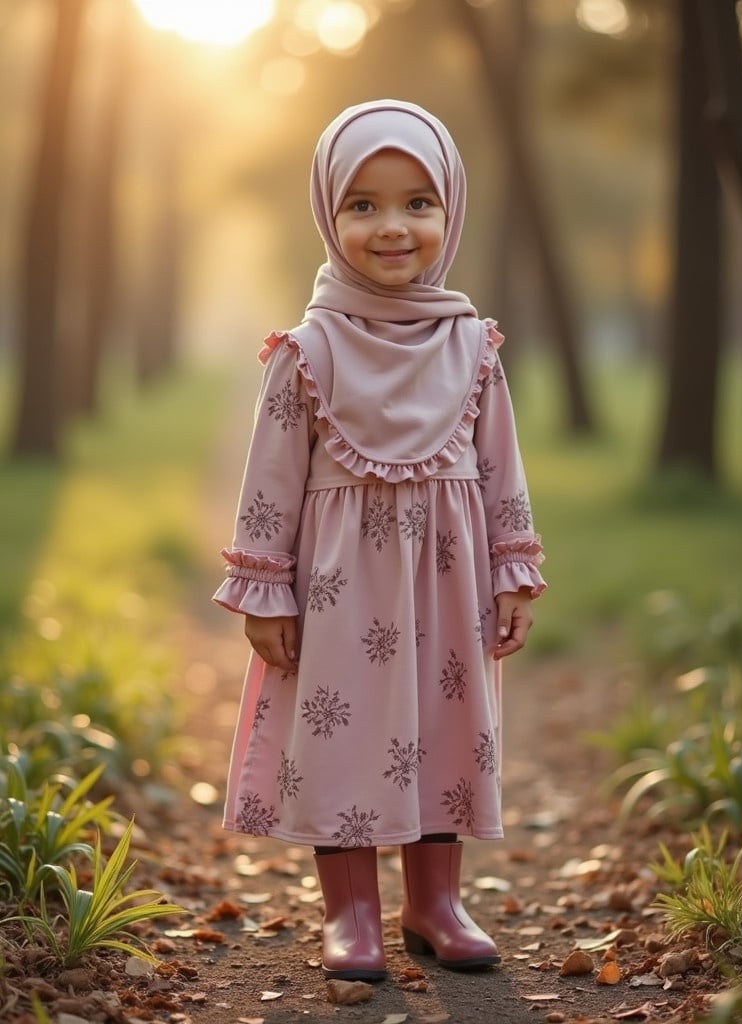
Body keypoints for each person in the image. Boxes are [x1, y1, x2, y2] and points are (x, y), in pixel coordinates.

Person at [213, 99, 546, 982]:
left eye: (417, 203)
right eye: (362, 204)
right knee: (347, 732)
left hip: (447, 579)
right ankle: (351, 913)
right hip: (339, 586)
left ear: (451, 212)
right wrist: (264, 591)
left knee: (442, 725)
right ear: (328, 214)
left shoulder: (473, 345)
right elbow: (270, 480)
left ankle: (434, 903)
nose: (392, 226)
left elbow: (502, 467)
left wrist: (512, 571)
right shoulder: (308, 350)